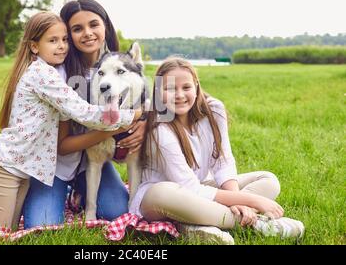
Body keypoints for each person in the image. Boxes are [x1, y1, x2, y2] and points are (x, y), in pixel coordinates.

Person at [0, 11, 142, 232]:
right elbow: (83, 112)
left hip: (23, 167)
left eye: (64, 40)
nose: (62, 46)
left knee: (6, 227)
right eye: (53, 40)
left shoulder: (51, 69)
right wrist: (133, 116)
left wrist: (144, 118)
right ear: (34, 46)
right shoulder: (45, 74)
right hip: (8, 166)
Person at [128, 57, 305, 245]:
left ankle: (193, 225)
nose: (179, 95)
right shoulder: (160, 129)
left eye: (186, 87)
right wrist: (253, 201)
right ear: (158, 92)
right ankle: (258, 224)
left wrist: (238, 201)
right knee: (162, 192)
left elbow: (223, 161)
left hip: (200, 188)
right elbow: (189, 187)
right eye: (170, 89)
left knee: (268, 180)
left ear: (196, 87)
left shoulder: (214, 110)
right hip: (161, 200)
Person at [22, 0, 148, 228]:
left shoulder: (118, 64)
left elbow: (154, 99)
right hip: (54, 166)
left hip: (93, 163)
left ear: (105, 27)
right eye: (77, 29)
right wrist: (121, 125)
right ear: (68, 35)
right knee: (43, 226)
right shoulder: (57, 74)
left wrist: (144, 123)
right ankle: (47, 193)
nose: (87, 33)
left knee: (117, 211)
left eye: (94, 25)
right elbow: (62, 146)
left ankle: (79, 194)